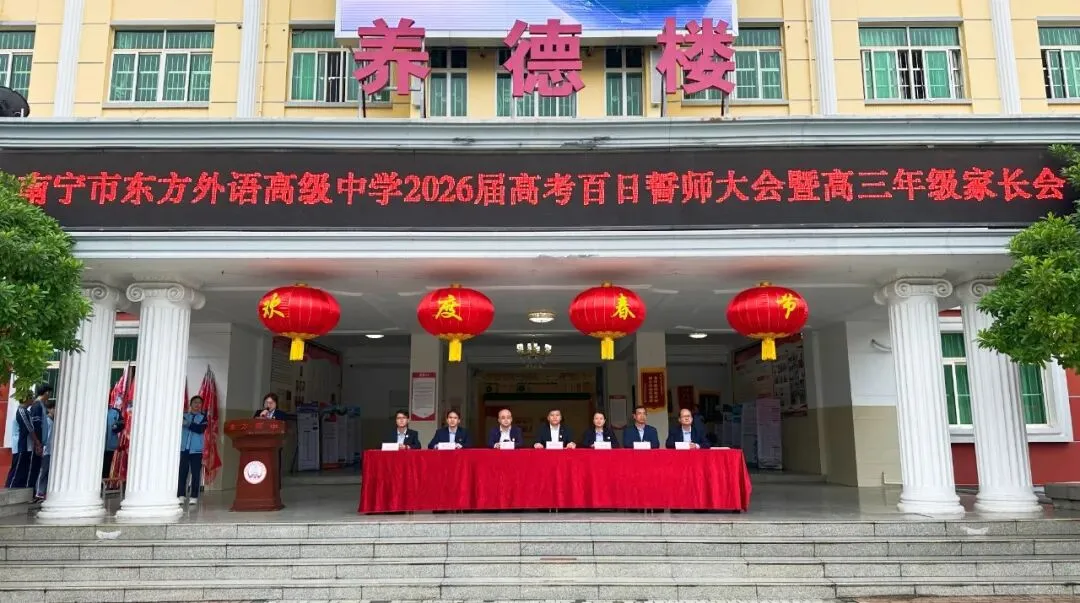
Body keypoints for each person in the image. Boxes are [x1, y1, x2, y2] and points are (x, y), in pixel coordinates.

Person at [178, 396, 208, 505]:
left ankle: (194, 496)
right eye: (195, 402)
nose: (197, 405)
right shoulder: (183, 416)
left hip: (197, 451)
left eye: (199, 403)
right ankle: (181, 495)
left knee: (195, 474)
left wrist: (187, 424)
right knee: (182, 473)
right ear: (190, 404)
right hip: (184, 449)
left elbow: (199, 429)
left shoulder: (203, 418)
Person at [4, 396, 37, 488]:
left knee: (22, 470)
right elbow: (29, 428)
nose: (33, 399)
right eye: (31, 397)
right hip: (21, 446)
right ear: (26, 399)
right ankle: (9, 488)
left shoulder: (26, 411)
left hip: (26, 446)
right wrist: (37, 442)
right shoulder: (21, 411)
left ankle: (17, 488)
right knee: (16, 470)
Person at [25, 383, 51, 489]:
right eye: (49, 393)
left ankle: (33, 492)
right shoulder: (37, 406)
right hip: (36, 444)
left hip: (39, 444)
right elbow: (36, 426)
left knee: (36, 469)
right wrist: (38, 444)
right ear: (46, 393)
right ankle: (30, 491)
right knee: (33, 470)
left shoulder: (41, 406)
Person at [34, 400, 56, 502]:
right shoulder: (47, 421)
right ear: (50, 409)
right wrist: (43, 449)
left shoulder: (52, 421)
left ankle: (42, 493)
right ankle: (38, 493)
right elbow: (45, 437)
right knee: (42, 472)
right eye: (55, 408)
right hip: (46, 451)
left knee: (47, 473)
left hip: (50, 451)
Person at [103, 403, 124, 479]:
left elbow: (121, 424)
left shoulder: (115, 412)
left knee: (106, 466)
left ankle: (103, 483)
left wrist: (116, 427)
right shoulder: (95, 410)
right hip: (97, 446)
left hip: (110, 445)